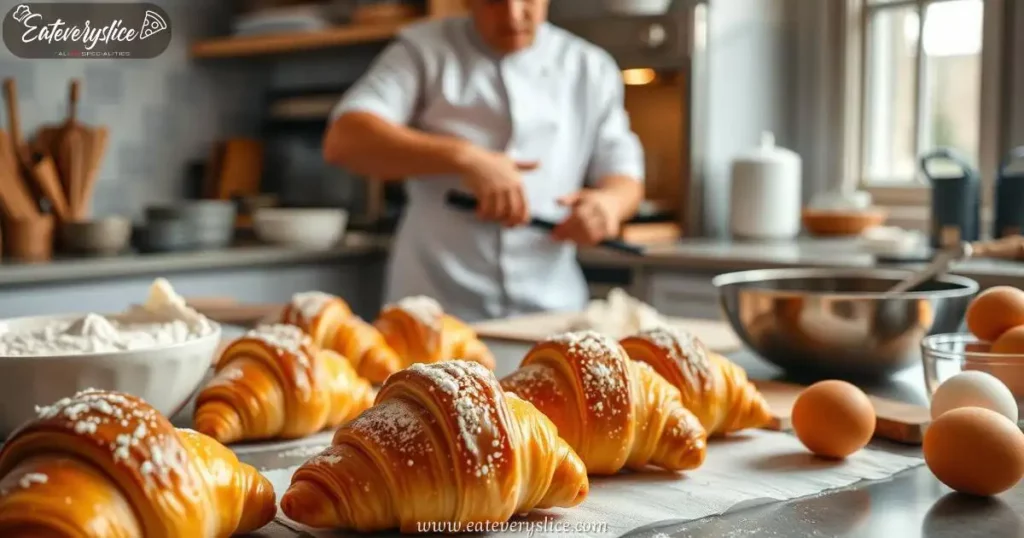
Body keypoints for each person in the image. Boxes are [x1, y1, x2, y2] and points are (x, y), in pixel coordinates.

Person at [324, 0, 645, 322]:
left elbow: (624, 175)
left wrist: (608, 205)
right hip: (434, 310)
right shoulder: (422, 49)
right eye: (494, 1)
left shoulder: (591, 67)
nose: (513, 14)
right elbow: (345, 139)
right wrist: (464, 157)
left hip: (553, 310)